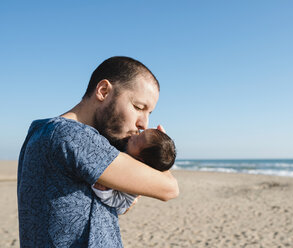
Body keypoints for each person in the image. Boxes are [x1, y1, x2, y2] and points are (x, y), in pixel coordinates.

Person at [17, 56, 179, 248]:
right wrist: (160, 152)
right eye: (138, 107)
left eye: (149, 113)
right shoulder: (72, 136)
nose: (144, 124)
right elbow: (169, 188)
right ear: (103, 91)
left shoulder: (42, 131)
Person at [92, 128, 177, 215]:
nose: (133, 136)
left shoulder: (138, 176)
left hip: (117, 202)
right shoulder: (129, 149)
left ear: (140, 159)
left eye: (135, 141)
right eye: (139, 133)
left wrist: (105, 192)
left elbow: (124, 203)